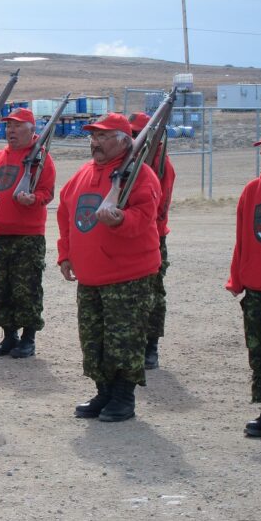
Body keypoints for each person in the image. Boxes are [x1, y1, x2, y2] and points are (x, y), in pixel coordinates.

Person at [57, 113, 161, 422]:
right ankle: (103, 391)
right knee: (93, 337)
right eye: (94, 136)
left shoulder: (140, 175)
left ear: (124, 141)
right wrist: (65, 254)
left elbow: (144, 217)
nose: (95, 142)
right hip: (90, 275)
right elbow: (65, 215)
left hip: (127, 276)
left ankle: (122, 396)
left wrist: (121, 220)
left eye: (103, 136)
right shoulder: (82, 174)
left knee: (123, 338)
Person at [0, 107, 56, 359]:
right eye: (8, 126)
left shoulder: (41, 159)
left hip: (27, 236)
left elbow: (48, 192)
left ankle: (28, 338)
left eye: (17, 126)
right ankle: (8, 336)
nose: (11, 130)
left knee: (25, 287)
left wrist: (34, 198)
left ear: (31, 130)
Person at [226, 123, 261, 440]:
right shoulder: (252, 190)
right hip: (257, 289)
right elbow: (243, 238)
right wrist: (238, 277)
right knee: (260, 354)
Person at [129, 112, 177, 369]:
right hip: (127, 236)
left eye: (137, 134)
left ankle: (151, 346)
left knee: (153, 295)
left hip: (152, 237)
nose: (133, 139)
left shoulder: (160, 164)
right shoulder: (126, 161)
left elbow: (160, 206)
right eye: (131, 134)